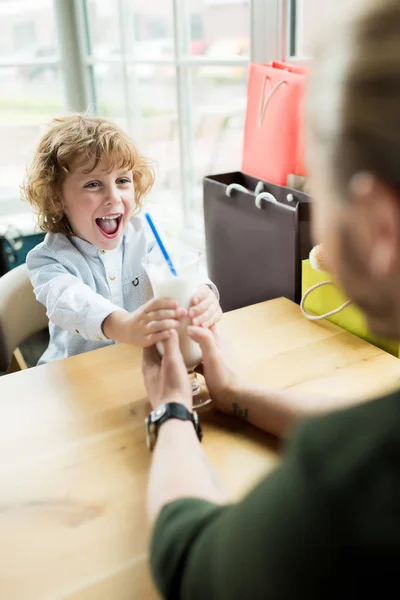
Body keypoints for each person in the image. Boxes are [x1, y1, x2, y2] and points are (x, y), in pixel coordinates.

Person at [143, 0, 400, 597]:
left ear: (381, 228)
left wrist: (172, 410)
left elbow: (189, 557)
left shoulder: (346, 488)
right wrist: (236, 396)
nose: (323, 254)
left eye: (325, 196)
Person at [24, 115, 222, 364]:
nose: (114, 197)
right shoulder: (47, 260)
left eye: (122, 181)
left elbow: (178, 267)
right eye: (94, 184)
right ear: (56, 198)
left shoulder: (146, 236)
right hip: (74, 376)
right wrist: (123, 325)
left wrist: (203, 294)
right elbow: (70, 301)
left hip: (138, 366)